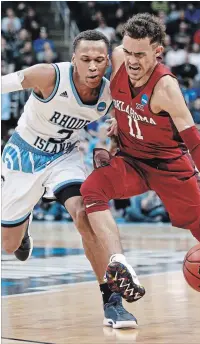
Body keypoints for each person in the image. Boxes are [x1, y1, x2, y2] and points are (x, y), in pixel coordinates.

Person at [81, 14, 200, 322]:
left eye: (140, 54)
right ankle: (119, 263)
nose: (131, 60)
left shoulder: (166, 88)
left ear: (157, 51)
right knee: (91, 188)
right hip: (132, 160)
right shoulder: (117, 58)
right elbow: (111, 105)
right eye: (128, 51)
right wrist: (109, 139)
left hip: (171, 168)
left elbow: (196, 144)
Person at [1, 30, 137, 329]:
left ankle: (112, 302)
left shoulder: (110, 92)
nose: (92, 67)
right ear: (73, 59)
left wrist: (117, 126)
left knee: (84, 214)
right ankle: (25, 223)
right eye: (85, 59)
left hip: (65, 157)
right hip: (23, 157)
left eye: (99, 60)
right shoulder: (48, 75)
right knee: (9, 246)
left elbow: (125, 115)